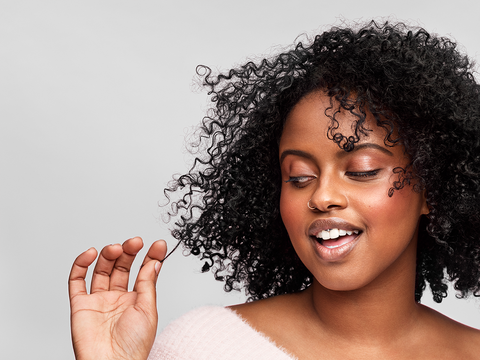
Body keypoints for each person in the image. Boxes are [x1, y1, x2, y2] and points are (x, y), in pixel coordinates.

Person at [69, 20, 480, 359]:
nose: (321, 197)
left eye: (362, 169)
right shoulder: (207, 347)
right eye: (299, 177)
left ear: (434, 189)